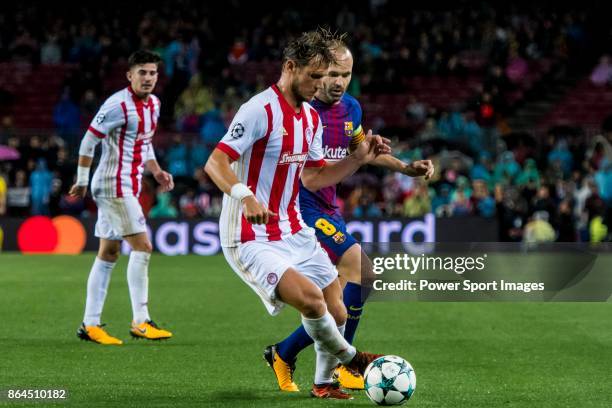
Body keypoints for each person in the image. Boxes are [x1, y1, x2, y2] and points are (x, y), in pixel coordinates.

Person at [204, 29, 389, 399]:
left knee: (337, 312)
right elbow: (216, 162)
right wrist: (246, 197)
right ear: (290, 67)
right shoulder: (258, 109)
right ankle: (352, 360)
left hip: (294, 229)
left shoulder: (310, 119)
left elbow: (316, 177)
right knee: (311, 300)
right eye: (314, 76)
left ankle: (322, 384)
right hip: (250, 234)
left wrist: (357, 159)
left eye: (326, 77)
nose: (320, 85)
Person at [265, 40, 434, 392]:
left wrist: (405, 167)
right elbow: (303, 170)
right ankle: (346, 366)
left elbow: (361, 152)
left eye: (346, 74)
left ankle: (284, 352)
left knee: (337, 300)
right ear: (316, 72)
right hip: (298, 207)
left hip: (327, 207)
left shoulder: (351, 109)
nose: (339, 81)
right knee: (361, 269)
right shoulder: (300, 111)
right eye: (331, 73)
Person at [69, 50, 174, 345]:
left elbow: (144, 143)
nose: (148, 78)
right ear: (130, 75)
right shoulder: (117, 105)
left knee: (109, 253)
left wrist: (156, 171)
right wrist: (80, 180)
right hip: (113, 184)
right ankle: (140, 320)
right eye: (142, 72)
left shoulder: (154, 104)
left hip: (129, 183)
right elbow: (89, 139)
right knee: (143, 246)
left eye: (152, 73)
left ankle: (90, 324)